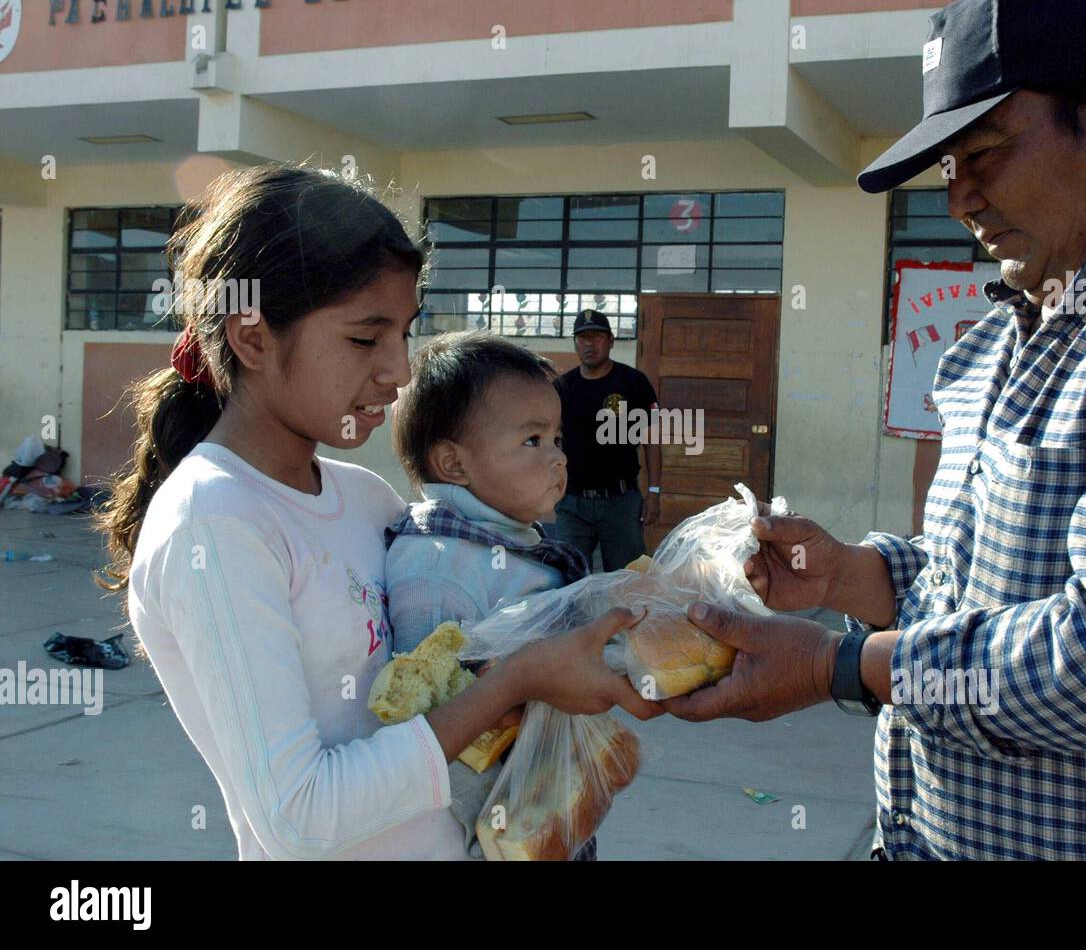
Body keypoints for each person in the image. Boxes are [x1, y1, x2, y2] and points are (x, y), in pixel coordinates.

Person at [662, 0, 1086, 860]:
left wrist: (836, 666)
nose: (959, 194)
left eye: (987, 151)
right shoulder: (993, 341)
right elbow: (975, 587)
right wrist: (850, 574)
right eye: (948, 164)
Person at [95, 165, 658, 861]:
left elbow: (454, 674)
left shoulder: (366, 497)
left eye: (404, 333)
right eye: (366, 338)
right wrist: (517, 680)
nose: (398, 370)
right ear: (252, 337)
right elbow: (299, 819)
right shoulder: (214, 521)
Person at [385, 331, 598, 858]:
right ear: (454, 464)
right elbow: (434, 727)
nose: (557, 460)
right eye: (532, 441)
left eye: (557, 440)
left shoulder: (517, 544)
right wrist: (505, 839)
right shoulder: (438, 568)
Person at [552, 309, 662, 570]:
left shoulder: (634, 383)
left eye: (597, 336)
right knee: (569, 578)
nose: (589, 344)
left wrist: (654, 492)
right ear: (575, 343)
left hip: (621, 502)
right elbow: (550, 441)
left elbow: (652, 439)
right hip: (572, 503)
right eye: (582, 338)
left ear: (611, 340)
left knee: (627, 579)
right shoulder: (562, 388)